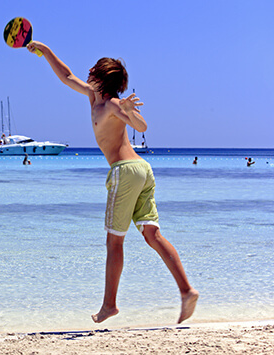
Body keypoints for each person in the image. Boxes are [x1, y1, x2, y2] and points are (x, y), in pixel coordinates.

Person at [27, 41, 199, 324]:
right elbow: (66, 76)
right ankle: (186, 290)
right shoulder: (94, 97)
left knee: (114, 242)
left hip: (125, 171)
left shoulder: (112, 103)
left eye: (93, 69)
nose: (88, 70)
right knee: (152, 236)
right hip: (142, 171)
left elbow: (142, 127)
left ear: (101, 76)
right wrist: (44, 50)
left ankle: (109, 305)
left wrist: (129, 111)